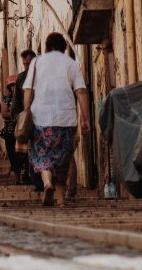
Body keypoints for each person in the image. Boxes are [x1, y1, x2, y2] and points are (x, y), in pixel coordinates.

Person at [19, 32, 89, 205]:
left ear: (47, 46)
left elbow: (28, 90)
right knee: (62, 160)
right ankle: (60, 200)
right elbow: (80, 91)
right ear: (64, 47)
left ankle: (47, 183)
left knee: (42, 155)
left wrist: (26, 110)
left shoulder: (36, 62)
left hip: (40, 118)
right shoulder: (71, 63)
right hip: (66, 119)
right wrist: (85, 117)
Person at [6, 49, 37, 184]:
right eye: (24, 64)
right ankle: (33, 179)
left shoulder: (43, 75)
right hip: (27, 120)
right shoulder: (21, 78)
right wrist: (18, 118)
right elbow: (16, 101)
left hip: (43, 118)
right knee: (28, 150)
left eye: (29, 63)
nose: (27, 66)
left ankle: (40, 181)